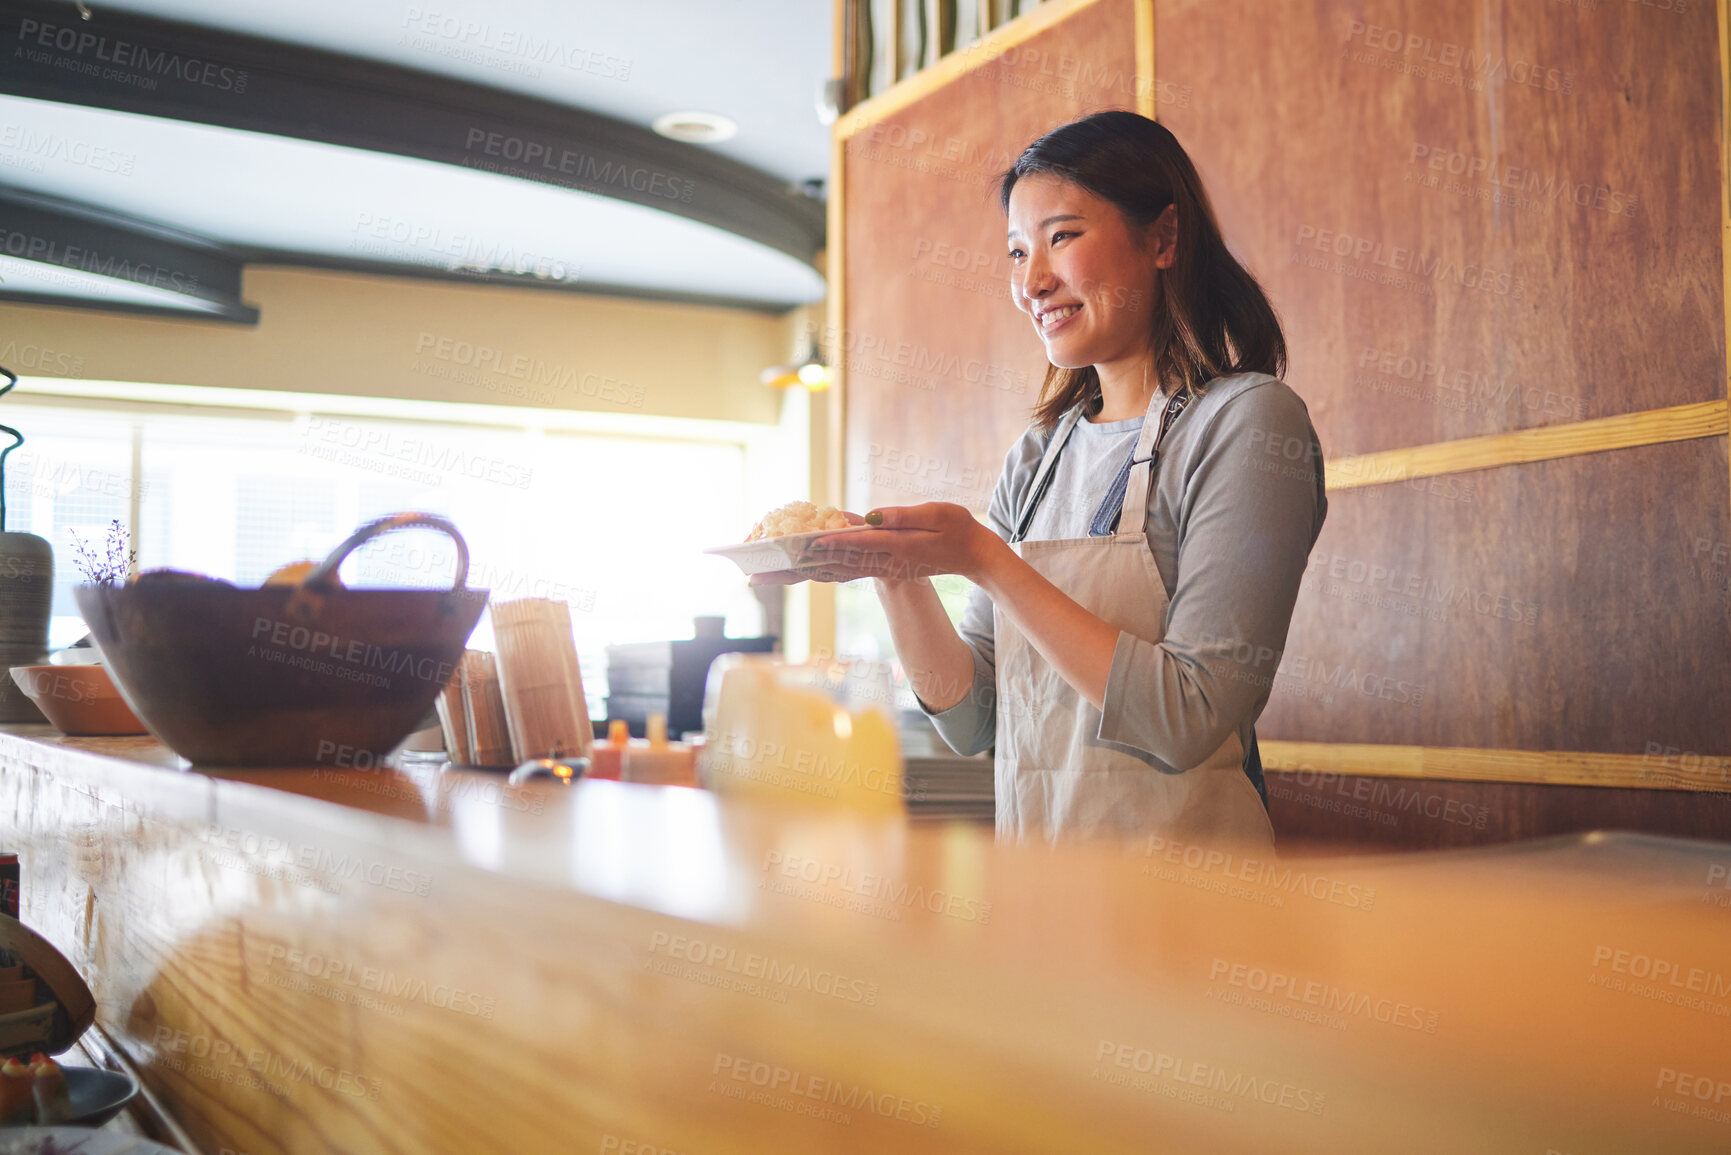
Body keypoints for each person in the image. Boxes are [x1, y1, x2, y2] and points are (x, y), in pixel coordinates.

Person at [757, 111, 1326, 846]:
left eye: (1061, 237)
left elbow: (1185, 718)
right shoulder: (1038, 455)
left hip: (1190, 913)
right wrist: (891, 569)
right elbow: (972, 719)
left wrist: (984, 558)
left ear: (1163, 238)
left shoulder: (1246, 423)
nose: (1032, 280)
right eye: (1017, 251)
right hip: (1043, 900)